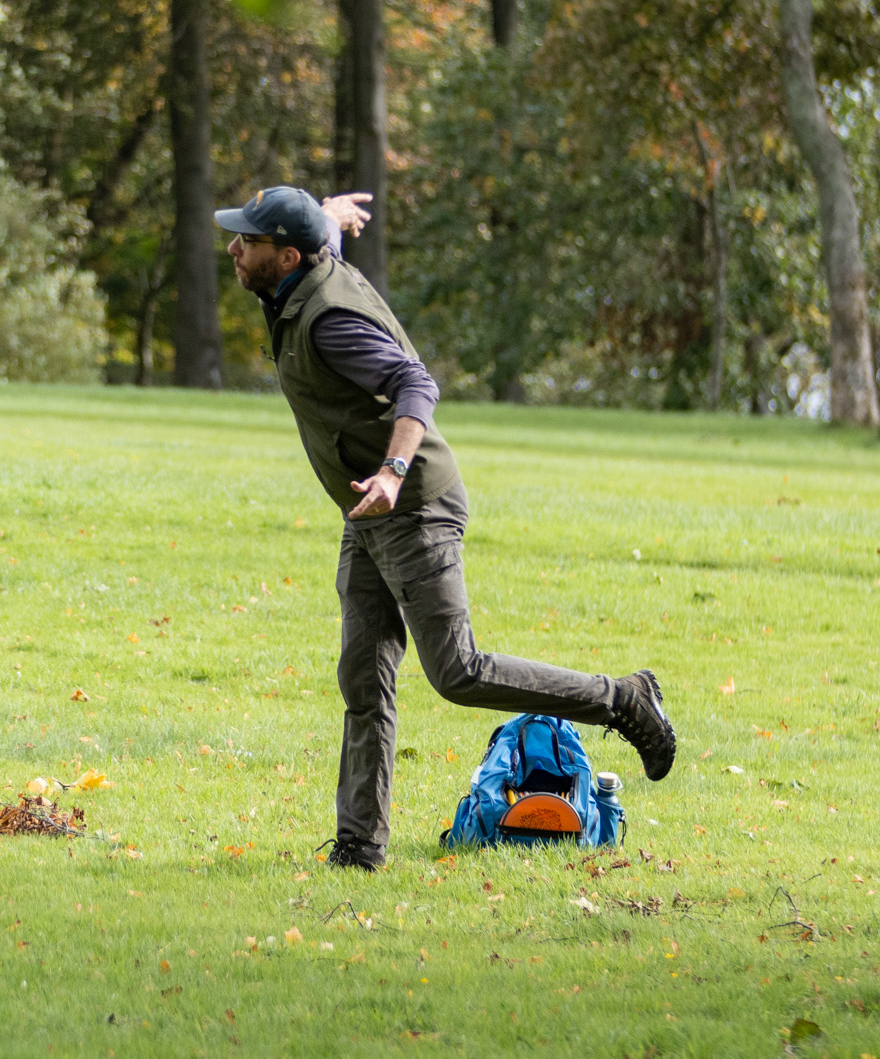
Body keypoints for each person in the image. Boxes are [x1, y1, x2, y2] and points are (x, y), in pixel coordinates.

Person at [214, 185, 677, 871]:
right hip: (366, 508)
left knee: (458, 672)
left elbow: (415, 383)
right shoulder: (304, 272)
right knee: (363, 679)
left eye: (247, 242)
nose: (232, 248)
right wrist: (329, 218)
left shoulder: (330, 321)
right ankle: (359, 847)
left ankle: (624, 700)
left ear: (285, 257)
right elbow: (322, 241)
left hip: (411, 505)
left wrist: (393, 471)